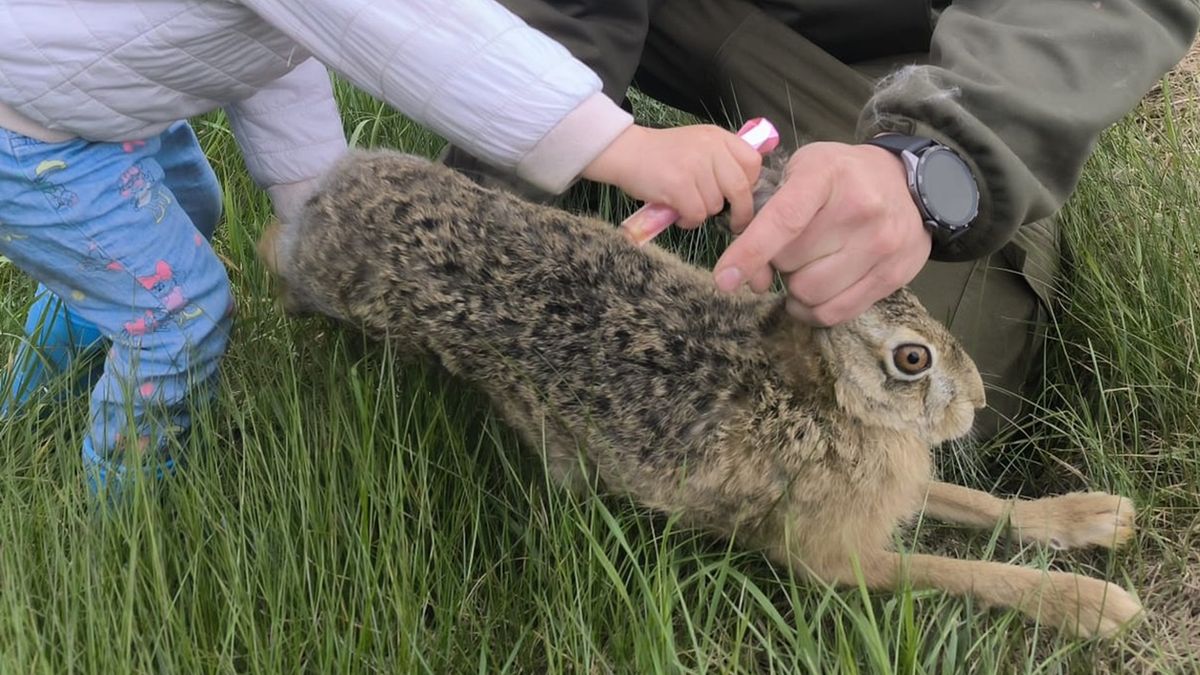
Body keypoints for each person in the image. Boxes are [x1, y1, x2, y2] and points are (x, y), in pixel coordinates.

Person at [0, 0, 766, 500]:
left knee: (180, 219)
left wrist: (311, 209)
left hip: (97, 103)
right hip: (30, 136)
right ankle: (121, 511)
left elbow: (274, 58)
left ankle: (32, 396)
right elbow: (424, 34)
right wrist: (618, 143)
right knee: (176, 309)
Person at [440, 0, 1200, 436]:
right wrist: (506, 172)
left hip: (933, 61)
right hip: (678, 20)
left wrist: (932, 160)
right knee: (498, 386)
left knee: (903, 417)